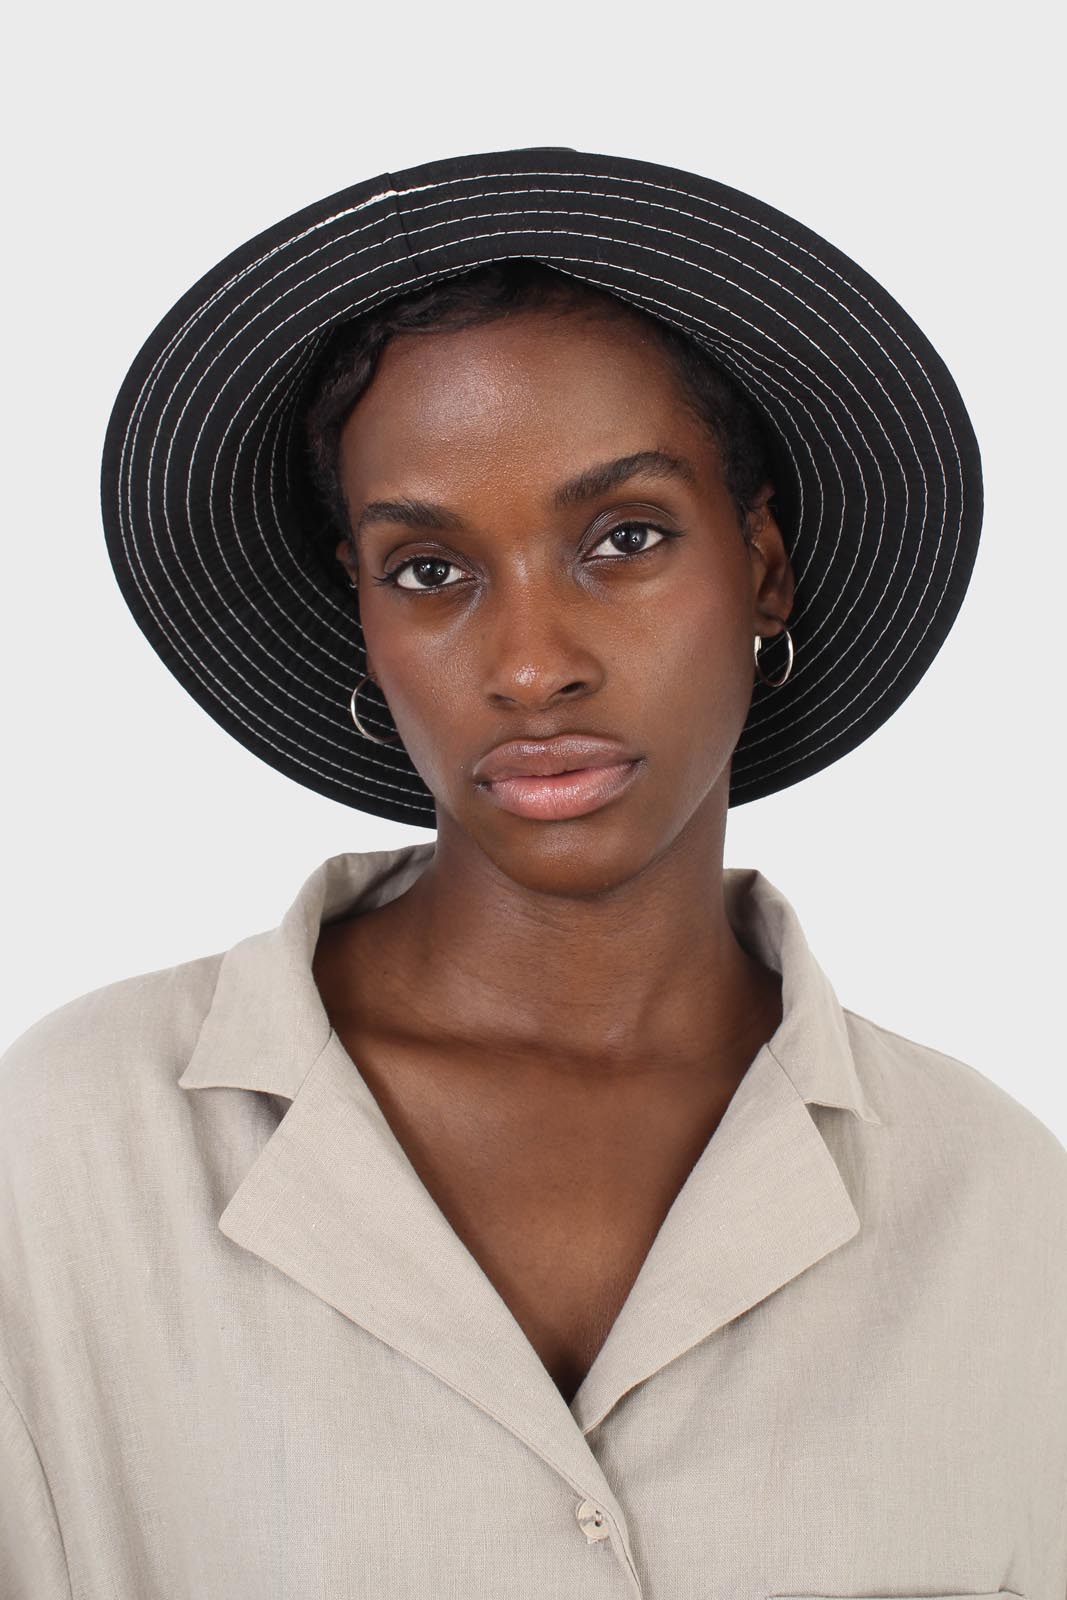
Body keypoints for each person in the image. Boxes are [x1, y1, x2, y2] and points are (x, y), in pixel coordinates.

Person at [2, 146, 1064, 1598]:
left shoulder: (1001, 1208)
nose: (529, 665)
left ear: (763, 567)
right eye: (429, 571)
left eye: (624, 538)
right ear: (362, 613)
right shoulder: (74, 1151)